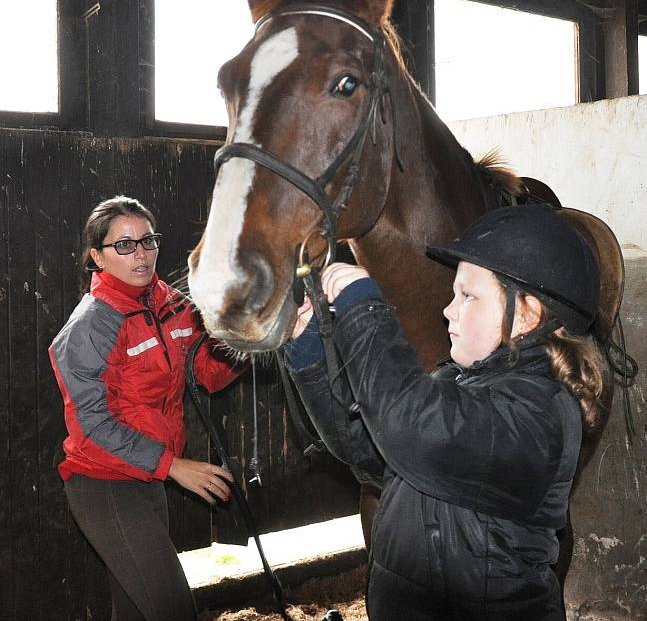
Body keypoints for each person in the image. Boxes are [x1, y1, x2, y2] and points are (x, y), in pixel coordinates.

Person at [286, 204, 607, 621]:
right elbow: (365, 449)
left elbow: (409, 428)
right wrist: (309, 348)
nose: (448, 310)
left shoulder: (540, 414)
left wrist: (363, 306)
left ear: (527, 314)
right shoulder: (452, 381)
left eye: (468, 296)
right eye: (454, 294)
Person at [49, 195, 242, 621]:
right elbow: (92, 425)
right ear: (97, 257)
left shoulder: (172, 304)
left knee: (137, 612)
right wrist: (173, 466)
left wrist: (242, 345)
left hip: (149, 479)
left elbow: (205, 374)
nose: (141, 254)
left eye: (148, 240)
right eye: (124, 245)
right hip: (105, 484)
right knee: (173, 609)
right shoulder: (89, 328)